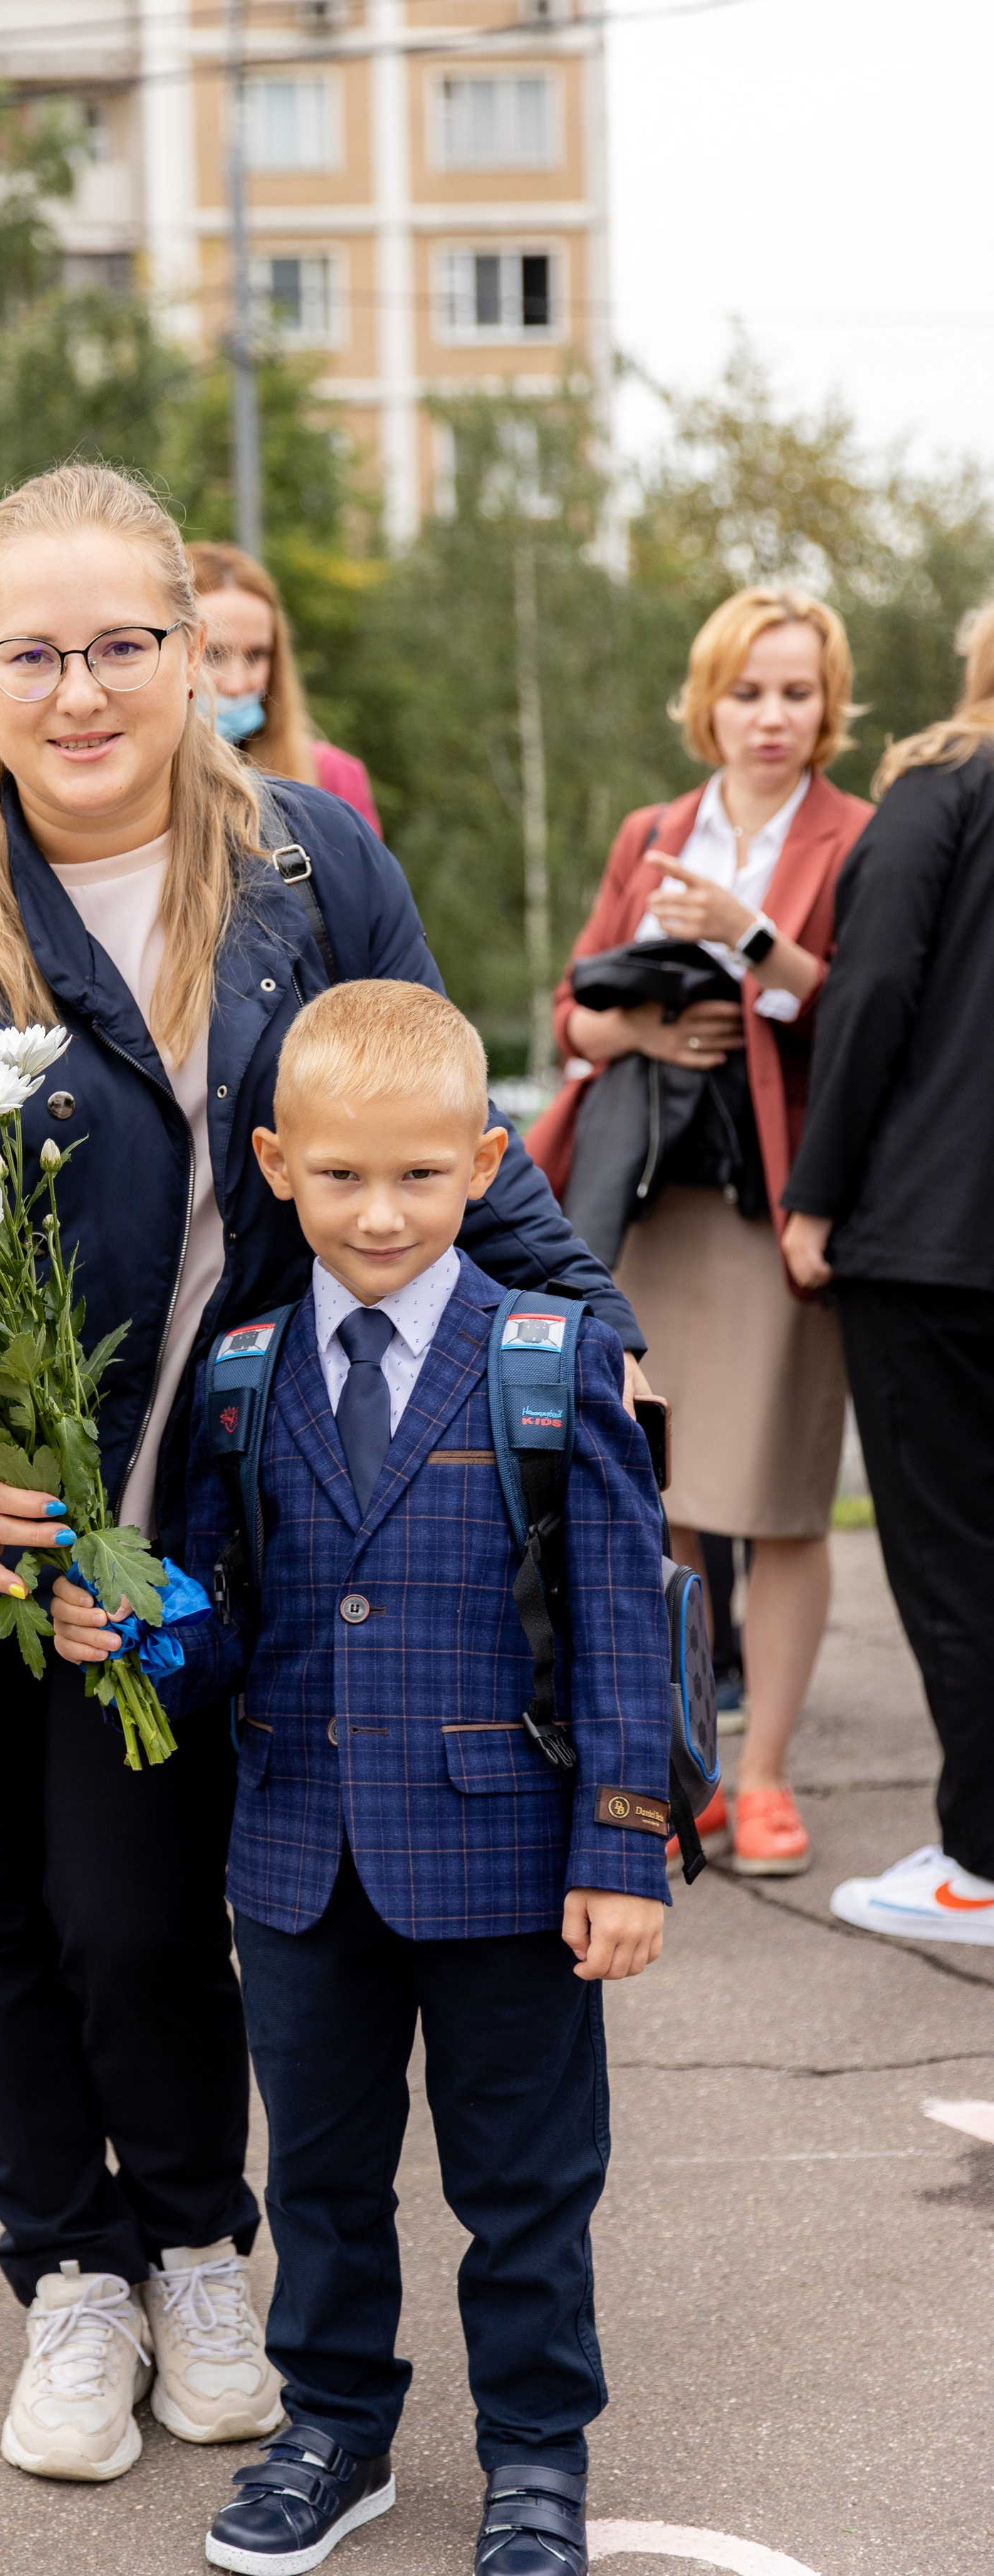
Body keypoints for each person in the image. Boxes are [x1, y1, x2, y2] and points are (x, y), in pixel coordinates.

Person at [0, 461, 642, 2485]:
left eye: (125, 647)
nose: (82, 694)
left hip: (182, 1523)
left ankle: (194, 2242)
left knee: (141, 1910)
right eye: (33, 653)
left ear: (197, 653)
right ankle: (68, 2274)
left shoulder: (314, 868)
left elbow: (421, 1117)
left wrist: (594, 1325)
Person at [51, 981, 668, 2576]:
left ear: (480, 1163)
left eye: (414, 1174)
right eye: (337, 1177)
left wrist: (622, 1847)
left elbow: (615, 1615)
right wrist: (140, 1623)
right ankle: (329, 2424)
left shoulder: (548, 1360)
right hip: (298, 1860)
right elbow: (225, 1609)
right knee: (319, 2177)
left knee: (523, 2181)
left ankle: (535, 2451)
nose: (376, 1210)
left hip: (509, 1861)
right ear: (272, 1164)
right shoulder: (245, 1378)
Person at [527, 587, 872, 1880]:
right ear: (706, 703)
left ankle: (769, 1774)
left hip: (773, 1202)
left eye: (796, 691)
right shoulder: (653, 831)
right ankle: (691, 1773)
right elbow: (570, 1007)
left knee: (778, 1503)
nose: (772, 716)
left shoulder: (859, 837)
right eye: (748, 690)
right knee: (660, 1496)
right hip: (643, 1199)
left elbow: (873, 1014)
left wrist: (755, 943)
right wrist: (642, 1030)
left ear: (829, 704)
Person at [781, 597, 994, 1945]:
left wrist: (818, 1195)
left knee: (954, 1554)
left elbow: (869, 995)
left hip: (938, 1237)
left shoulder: (945, 785)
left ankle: (980, 1862)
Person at [184, 540, 382, 834]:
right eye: (213, 654)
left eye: (256, 656)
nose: (237, 683)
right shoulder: (130, 786)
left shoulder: (333, 777)